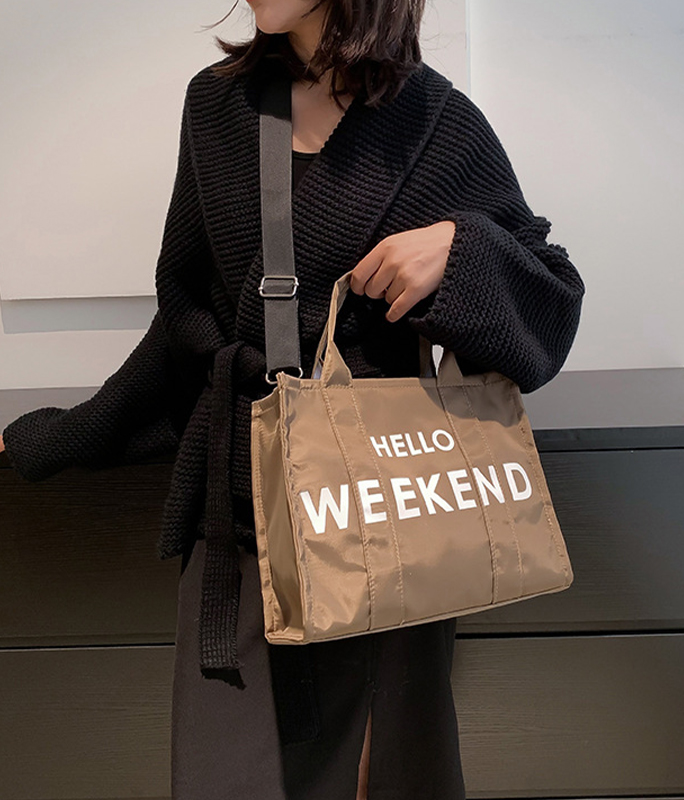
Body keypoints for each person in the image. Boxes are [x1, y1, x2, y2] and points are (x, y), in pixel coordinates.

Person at [0, 0, 586, 797]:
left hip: (382, 523)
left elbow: (550, 310)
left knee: (379, 773)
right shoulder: (216, 103)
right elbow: (186, 324)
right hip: (240, 516)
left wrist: (459, 252)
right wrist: (59, 436)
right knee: (225, 770)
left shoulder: (434, 121)